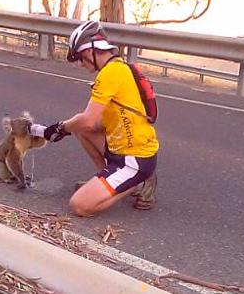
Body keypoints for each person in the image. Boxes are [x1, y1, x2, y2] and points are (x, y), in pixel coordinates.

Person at [33, 20, 159, 217]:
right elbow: (89, 124)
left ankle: (133, 183)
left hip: (134, 159)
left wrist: (59, 127)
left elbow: (88, 119)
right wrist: (66, 128)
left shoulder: (111, 73)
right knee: (80, 128)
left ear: (90, 50)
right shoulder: (116, 68)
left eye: (80, 58)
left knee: (80, 205)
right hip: (123, 149)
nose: (81, 64)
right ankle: (108, 179)